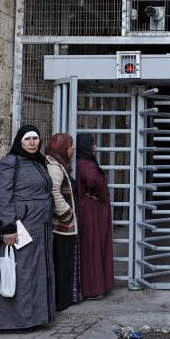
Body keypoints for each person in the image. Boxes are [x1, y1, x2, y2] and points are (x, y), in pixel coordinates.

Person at [0, 125, 55, 331]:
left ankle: (35, 317)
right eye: (27, 139)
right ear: (20, 141)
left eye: (35, 138)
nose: (32, 143)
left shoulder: (38, 162)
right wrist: (8, 227)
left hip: (40, 227)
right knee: (21, 271)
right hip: (21, 227)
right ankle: (14, 321)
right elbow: (2, 196)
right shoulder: (9, 163)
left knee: (37, 271)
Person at [45, 133, 82, 311]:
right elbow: (54, 193)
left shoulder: (58, 164)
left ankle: (64, 299)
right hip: (61, 227)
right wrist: (67, 215)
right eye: (70, 145)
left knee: (64, 263)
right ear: (62, 147)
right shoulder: (54, 167)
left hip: (63, 226)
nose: (73, 148)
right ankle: (61, 301)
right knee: (61, 264)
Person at [76, 134, 114, 299]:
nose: (96, 147)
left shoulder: (82, 162)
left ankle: (96, 285)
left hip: (92, 209)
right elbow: (93, 179)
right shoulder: (86, 164)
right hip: (92, 211)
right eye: (93, 143)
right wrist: (96, 193)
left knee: (94, 246)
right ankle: (93, 287)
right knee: (93, 246)